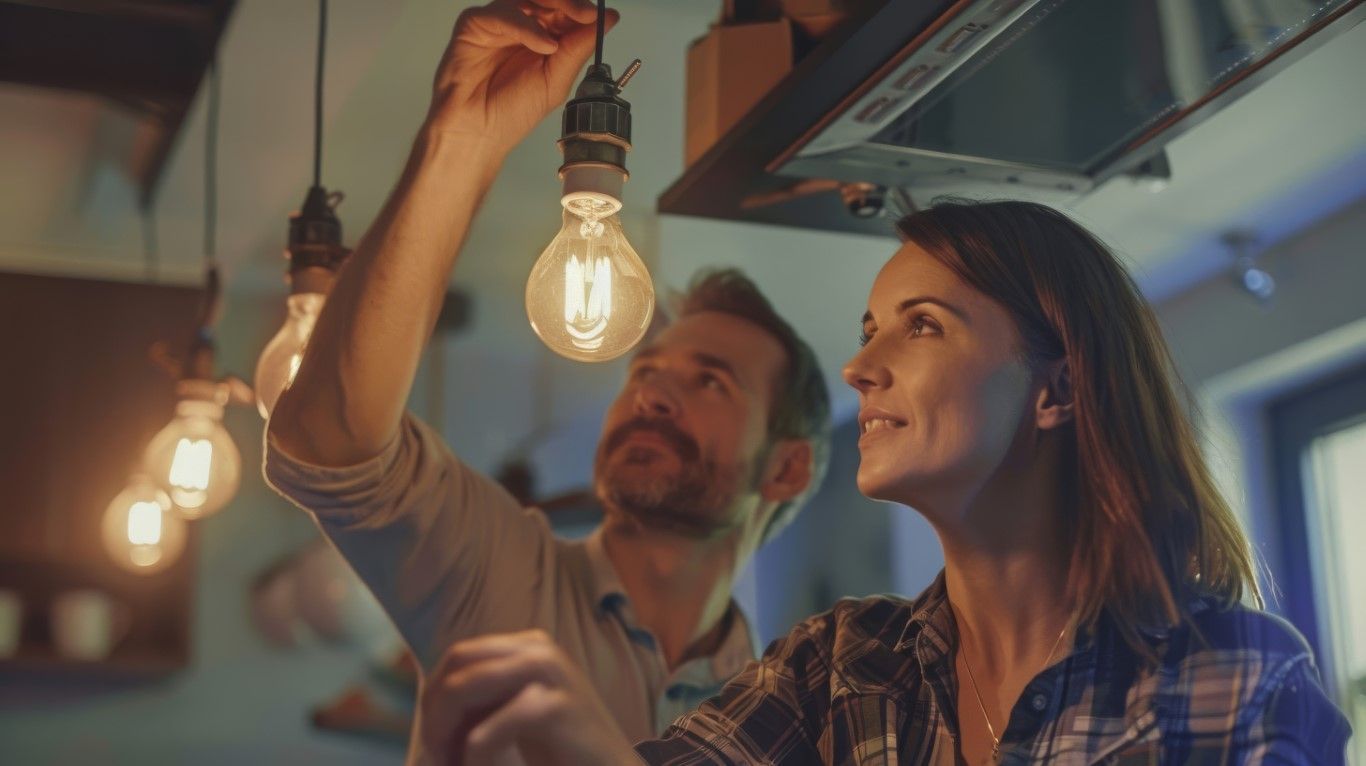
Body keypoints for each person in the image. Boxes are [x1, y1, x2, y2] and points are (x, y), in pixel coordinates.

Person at [415, 199, 1354, 765]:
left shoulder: (1234, 677)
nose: (862, 368)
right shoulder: (835, 670)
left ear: (1058, 388)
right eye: (870, 328)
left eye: (923, 325)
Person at [262, 0, 832, 757]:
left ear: (788, 466)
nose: (649, 393)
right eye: (646, 370)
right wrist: (462, 137)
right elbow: (328, 443)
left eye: (711, 382)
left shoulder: (785, 712)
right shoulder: (499, 576)